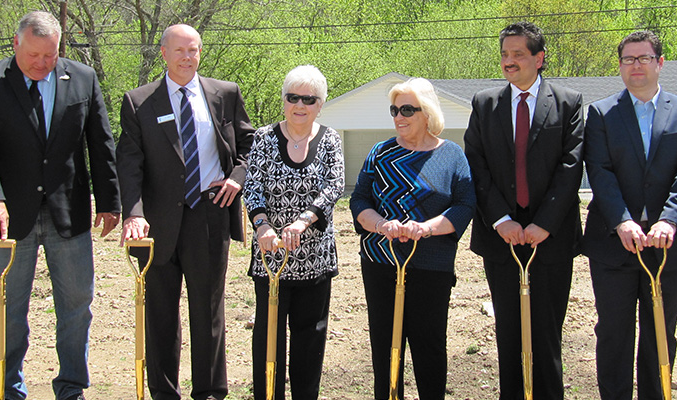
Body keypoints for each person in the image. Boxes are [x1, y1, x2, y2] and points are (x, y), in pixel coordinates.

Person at [0, 10, 121, 400]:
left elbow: (100, 143)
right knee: (8, 308)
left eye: (49, 56)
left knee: (77, 306)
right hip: (9, 218)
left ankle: (71, 386)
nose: (41, 64)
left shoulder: (82, 78)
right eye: (34, 55)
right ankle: (8, 385)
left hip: (69, 214)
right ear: (16, 44)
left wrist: (110, 200)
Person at [116, 24, 255, 400]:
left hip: (209, 215)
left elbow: (248, 142)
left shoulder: (224, 94)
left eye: (193, 50)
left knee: (208, 310)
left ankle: (209, 391)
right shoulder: (138, 102)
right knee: (160, 314)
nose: (187, 57)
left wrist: (236, 178)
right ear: (163, 53)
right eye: (179, 51)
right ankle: (164, 392)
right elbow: (129, 164)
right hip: (156, 223)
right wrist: (133, 213)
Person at [463, 21, 584, 400]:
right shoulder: (485, 104)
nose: (509, 61)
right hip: (502, 239)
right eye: (504, 54)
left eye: (518, 54)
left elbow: (571, 166)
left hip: (552, 240)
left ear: (539, 58)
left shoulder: (568, 102)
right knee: (509, 334)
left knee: (546, 334)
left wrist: (543, 225)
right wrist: (501, 220)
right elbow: (476, 165)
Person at [583, 30, 677, 400]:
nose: (636, 65)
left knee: (660, 334)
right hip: (613, 243)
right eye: (628, 59)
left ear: (660, 63)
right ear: (620, 66)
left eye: (644, 58)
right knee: (613, 333)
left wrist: (670, 218)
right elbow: (600, 171)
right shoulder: (602, 113)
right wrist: (622, 219)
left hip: (666, 245)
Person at [350, 78, 475, 400]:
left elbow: (465, 205)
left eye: (407, 109)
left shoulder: (452, 155)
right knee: (385, 343)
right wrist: (379, 224)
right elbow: (359, 200)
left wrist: (426, 228)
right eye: (394, 109)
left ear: (427, 112)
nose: (398, 116)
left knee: (429, 345)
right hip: (380, 263)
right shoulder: (380, 153)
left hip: (431, 265)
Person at [243, 65, 345, 400]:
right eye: (293, 97)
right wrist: (261, 225)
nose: (299, 105)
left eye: (308, 99)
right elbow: (253, 186)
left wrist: (303, 220)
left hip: (314, 257)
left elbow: (334, 185)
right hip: (270, 257)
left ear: (320, 104)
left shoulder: (330, 139)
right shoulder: (263, 138)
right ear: (284, 100)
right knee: (269, 337)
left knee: (309, 337)